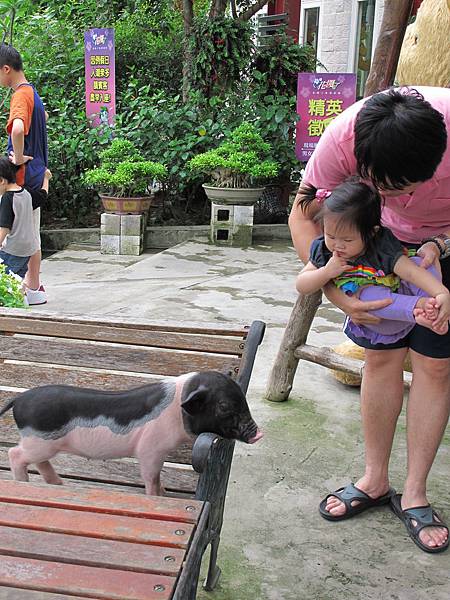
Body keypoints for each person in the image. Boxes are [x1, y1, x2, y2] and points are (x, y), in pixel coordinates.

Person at [289, 86, 450, 553]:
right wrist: (340, 294)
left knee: (435, 366)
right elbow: (302, 217)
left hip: (438, 251)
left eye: (402, 189)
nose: (396, 199)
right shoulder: (343, 137)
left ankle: (415, 493)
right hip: (370, 256)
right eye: (382, 188)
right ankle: (375, 479)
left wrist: (439, 251)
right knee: (380, 362)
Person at [296, 179, 450, 343]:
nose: (338, 245)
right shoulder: (325, 251)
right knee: (365, 294)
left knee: (420, 262)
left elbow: (411, 272)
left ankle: (431, 310)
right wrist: (325, 272)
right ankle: (418, 308)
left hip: (399, 295)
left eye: (347, 240)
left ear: (371, 233)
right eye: (331, 236)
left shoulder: (380, 246)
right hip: (380, 318)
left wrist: (441, 292)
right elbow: (302, 285)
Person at [0, 43, 48, 304]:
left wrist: (17, 158)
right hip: (35, 177)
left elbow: (17, 129)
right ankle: (34, 286)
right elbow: (44, 119)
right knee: (31, 234)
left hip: (20, 179)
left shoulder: (19, 95)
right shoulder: (33, 93)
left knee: (15, 236)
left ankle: (23, 288)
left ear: (6, 69)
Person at [0, 158, 51, 279]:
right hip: (28, 249)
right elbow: (42, 196)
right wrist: (46, 178)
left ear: (2, 180)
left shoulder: (7, 198)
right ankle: (23, 297)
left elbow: (4, 228)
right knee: (17, 281)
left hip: (13, 250)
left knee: (6, 283)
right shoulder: (26, 192)